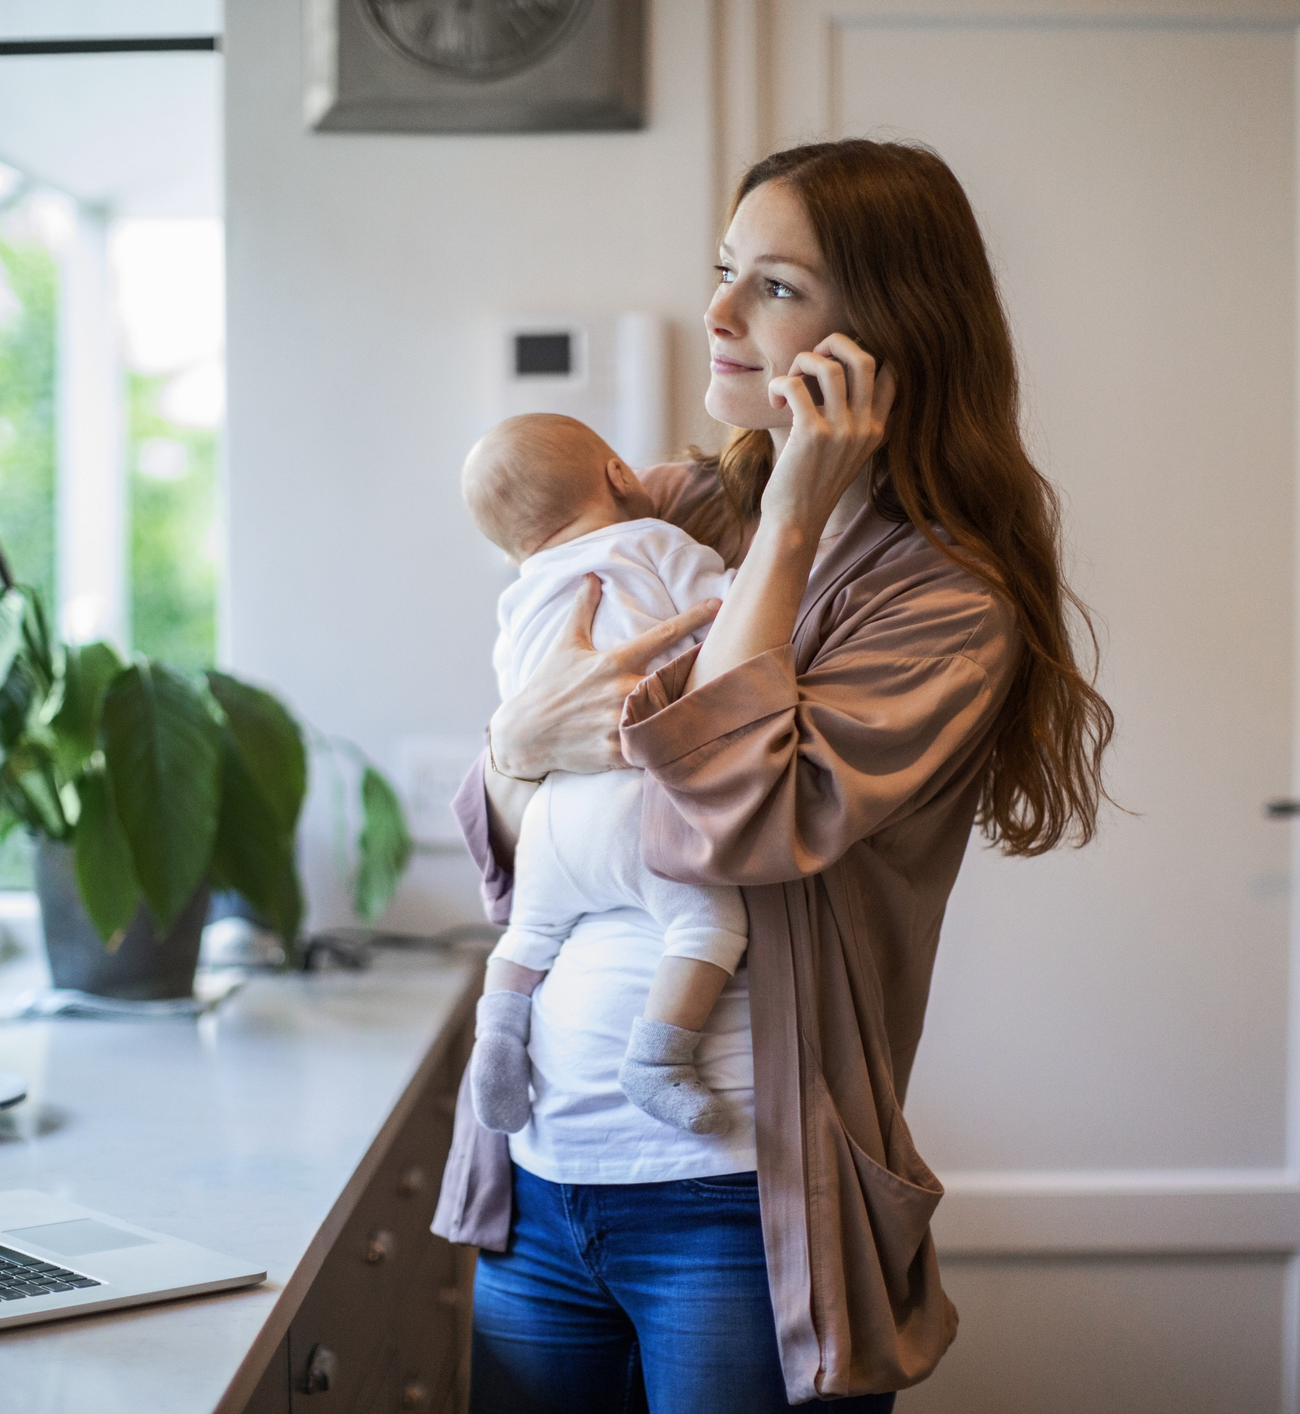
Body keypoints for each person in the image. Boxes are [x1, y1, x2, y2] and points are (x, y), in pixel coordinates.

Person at [433, 139, 1114, 1413]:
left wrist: (798, 514)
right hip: (537, 1175)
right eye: (725, 269)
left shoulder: (943, 601)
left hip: (735, 1210)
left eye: (778, 287)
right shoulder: (682, 510)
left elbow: (736, 819)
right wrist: (520, 746)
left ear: (882, 336)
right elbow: (518, 808)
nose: (720, 312)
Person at [459, 412, 744, 1138]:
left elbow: (514, 716)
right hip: (637, 808)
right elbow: (732, 620)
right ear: (618, 474)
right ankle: (655, 1060)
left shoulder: (514, 600)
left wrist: (520, 745)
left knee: (527, 934)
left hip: (556, 822)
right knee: (708, 921)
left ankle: (495, 1038)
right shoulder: (654, 542)